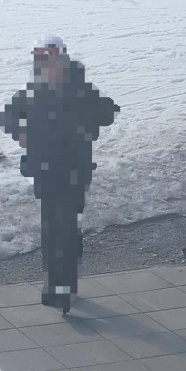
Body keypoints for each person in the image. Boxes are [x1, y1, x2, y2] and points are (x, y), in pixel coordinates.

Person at [10, 43, 121, 308]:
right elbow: (11, 116)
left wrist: (84, 122)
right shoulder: (33, 91)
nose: (47, 69)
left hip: (74, 170)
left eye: (52, 63)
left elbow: (109, 111)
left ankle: (64, 286)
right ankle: (55, 282)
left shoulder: (80, 89)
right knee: (51, 228)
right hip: (45, 171)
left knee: (68, 227)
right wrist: (20, 132)